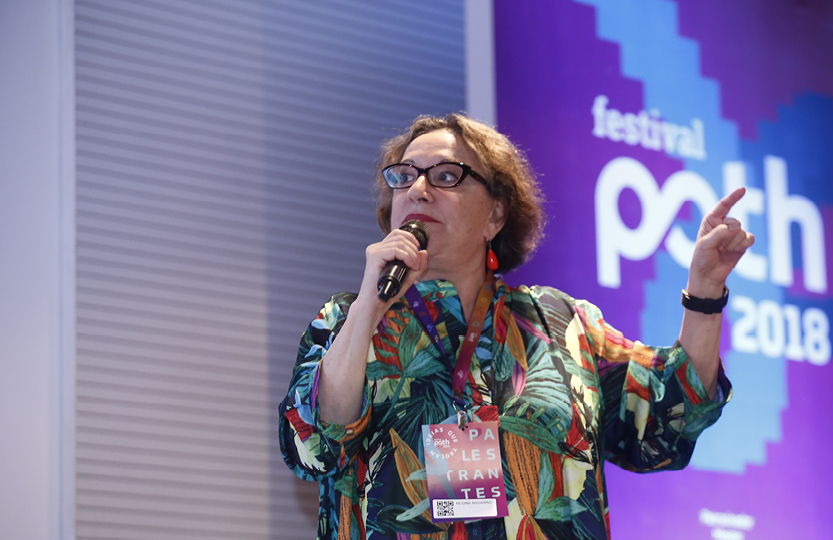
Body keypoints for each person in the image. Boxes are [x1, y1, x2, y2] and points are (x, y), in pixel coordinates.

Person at [279, 113, 754, 540]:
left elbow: (671, 415)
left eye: (446, 176)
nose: (419, 189)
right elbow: (314, 445)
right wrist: (369, 305)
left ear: (496, 214)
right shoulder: (346, 319)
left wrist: (705, 292)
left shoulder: (563, 323)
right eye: (404, 177)